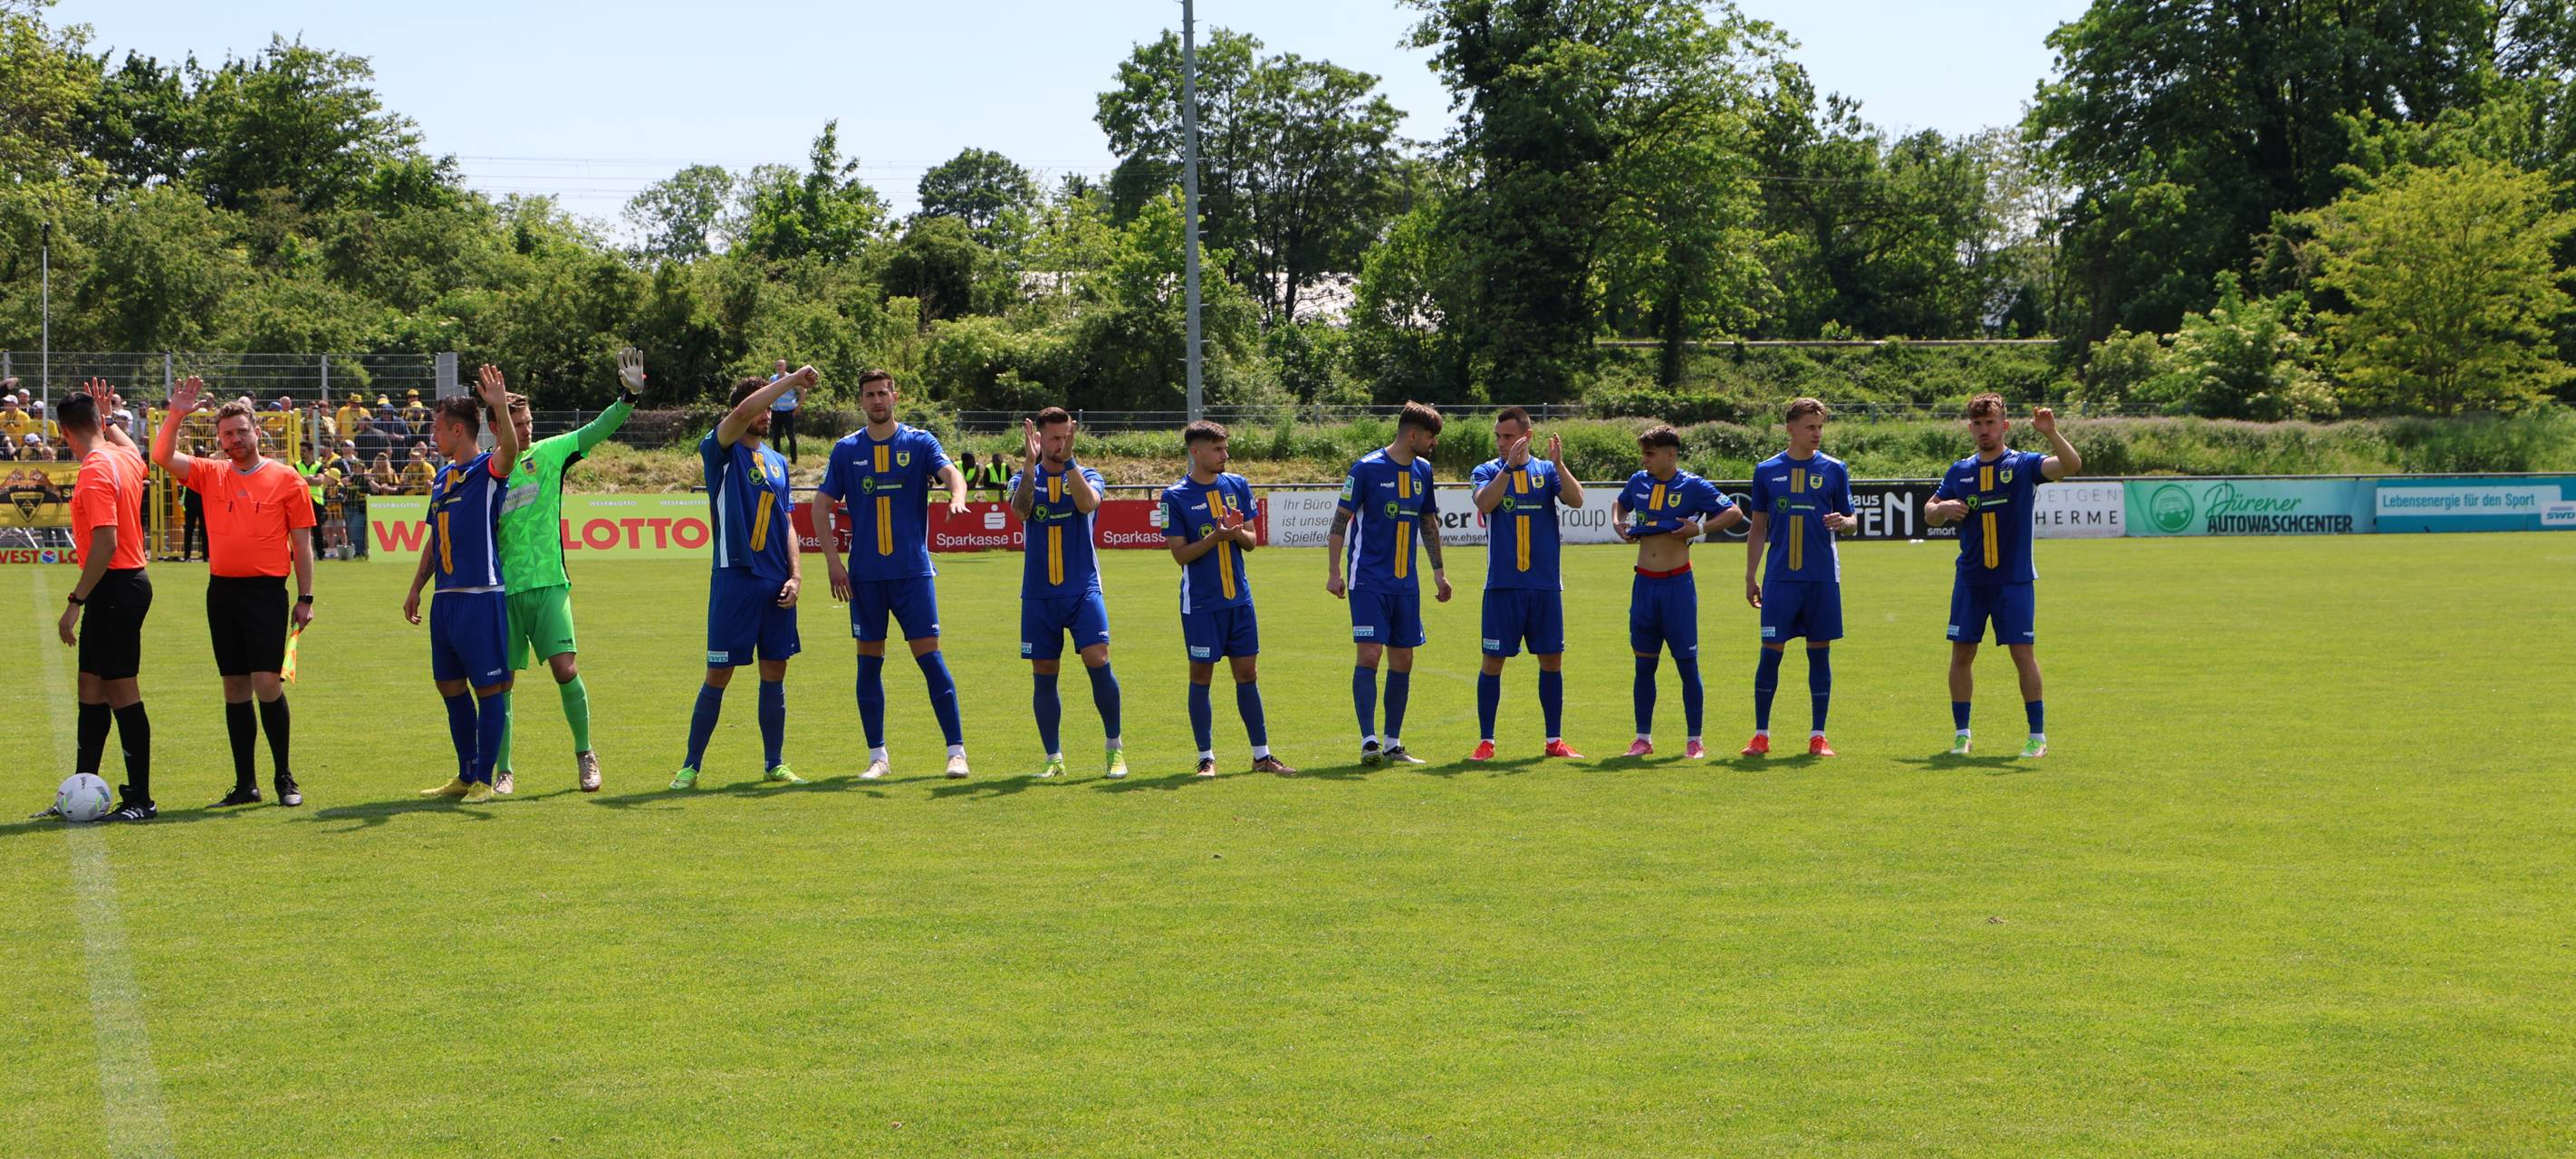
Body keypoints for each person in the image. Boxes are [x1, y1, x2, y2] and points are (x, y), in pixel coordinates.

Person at [151, 377, 317, 808]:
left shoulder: (287, 479)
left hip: (266, 593)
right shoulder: (210, 473)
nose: (235, 439)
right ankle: (246, 784)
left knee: (267, 683)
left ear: (257, 432)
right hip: (222, 593)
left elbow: (302, 543)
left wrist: (306, 597)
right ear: (219, 439)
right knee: (233, 688)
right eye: (227, 433)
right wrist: (176, 414)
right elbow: (161, 455)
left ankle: (284, 777)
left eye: (242, 431)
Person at [487, 350, 641, 795]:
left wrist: (627, 397)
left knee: (565, 669)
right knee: (501, 684)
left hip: (549, 581)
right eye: (517, 424)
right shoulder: (487, 469)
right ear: (496, 427)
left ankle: (585, 754)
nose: (527, 428)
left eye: (529, 420)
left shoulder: (550, 453)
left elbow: (596, 430)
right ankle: (504, 771)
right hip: (503, 591)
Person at [814, 369, 974, 781]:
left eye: (883, 392)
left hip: (912, 574)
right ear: (861, 401)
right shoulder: (846, 450)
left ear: (895, 396)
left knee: (931, 659)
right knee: (868, 665)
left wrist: (957, 496)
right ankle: (877, 757)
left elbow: (951, 473)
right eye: (869, 394)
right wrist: (834, 562)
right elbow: (820, 506)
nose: (877, 400)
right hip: (865, 579)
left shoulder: (919, 442)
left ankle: (956, 753)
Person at [670, 366, 810, 790]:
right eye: (761, 404)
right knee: (719, 674)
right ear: (742, 409)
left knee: (775, 672)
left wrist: (797, 576)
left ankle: (774, 763)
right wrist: (789, 381)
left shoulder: (778, 461)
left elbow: (787, 522)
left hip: (776, 583)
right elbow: (747, 409)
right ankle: (691, 767)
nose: (767, 412)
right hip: (735, 578)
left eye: (770, 406)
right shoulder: (721, 448)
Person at [1925, 394, 2082, 758]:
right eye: (1977, 424)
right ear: (1970, 428)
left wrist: (2052, 432)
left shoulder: (2024, 465)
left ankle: (2036, 736)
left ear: (2005, 426)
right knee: (1961, 654)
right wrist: (1943, 508)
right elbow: (1929, 512)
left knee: (2022, 654)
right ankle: (1962, 734)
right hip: (1971, 580)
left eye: (1991, 423)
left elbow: (2071, 464)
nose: (1984, 430)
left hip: (2014, 580)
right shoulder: (1959, 471)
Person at [405, 367, 521, 804]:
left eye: (437, 429)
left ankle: (485, 781)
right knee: (449, 686)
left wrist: (497, 406)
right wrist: (417, 586)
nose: (433, 436)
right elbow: (435, 538)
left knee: (488, 688)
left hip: (481, 598)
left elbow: (508, 448)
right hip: (446, 601)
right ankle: (465, 772)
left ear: (457, 430)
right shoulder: (441, 478)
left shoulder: (487, 470)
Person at [1162, 420, 1294, 778]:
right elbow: (1181, 555)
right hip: (1202, 604)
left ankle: (1262, 756)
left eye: (1225, 448)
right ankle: (1206, 758)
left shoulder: (1237, 485)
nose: (1226, 455)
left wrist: (1235, 533)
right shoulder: (1174, 496)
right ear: (1196, 452)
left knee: (1247, 673)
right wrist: (1215, 537)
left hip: (1240, 601)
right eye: (1218, 449)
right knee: (1201, 675)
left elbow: (1252, 541)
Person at [1325, 400, 1451, 766]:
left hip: (1405, 585)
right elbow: (1340, 521)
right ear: (1413, 434)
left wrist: (1438, 572)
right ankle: (1369, 741)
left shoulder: (1423, 471)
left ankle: (1394, 743)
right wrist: (1335, 571)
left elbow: (1428, 523)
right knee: (1369, 654)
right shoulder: (1366, 469)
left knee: (1404, 659)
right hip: (1368, 581)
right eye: (1430, 437)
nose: (1434, 444)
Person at [55, 381, 158, 821]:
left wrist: (76, 599)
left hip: (114, 586)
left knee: (120, 690)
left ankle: (140, 801)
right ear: (100, 421)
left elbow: (106, 543)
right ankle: (81, 791)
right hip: (122, 586)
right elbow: (133, 446)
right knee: (91, 689)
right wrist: (110, 421)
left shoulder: (96, 470)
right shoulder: (122, 456)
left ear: (64, 433)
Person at [1614, 425, 1744, 759]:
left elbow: (1734, 512)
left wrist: (1699, 527)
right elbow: (1620, 503)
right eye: (1644, 453)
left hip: (1677, 586)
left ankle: (1694, 740)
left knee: (1687, 665)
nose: (1645, 460)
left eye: (1650, 454)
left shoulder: (1693, 485)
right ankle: (1642, 739)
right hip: (1643, 584)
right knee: (1644, 666)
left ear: (1671, 455)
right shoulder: (1638, 481)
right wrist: (1619, 523)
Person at [1007, 407, 1124, 780]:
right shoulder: (1023, 477)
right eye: (1051, 438)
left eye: (1064, 436)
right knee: (1044, 671)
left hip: (1082, 589)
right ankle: (1053, 757)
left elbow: (1088, 503)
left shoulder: (1087, 475)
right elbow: (1021, 512)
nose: (1058, 444)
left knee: (1097, 658)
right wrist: (1029, 465)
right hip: (1039, 595)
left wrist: (1069, 460)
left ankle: (1114, 750)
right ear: (1038, 439)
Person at [1467, 406, 1587, 762]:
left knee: (1551, 661)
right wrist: (1507, 467)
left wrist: (1560, 464)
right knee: (1493, 661)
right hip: (1503, 587)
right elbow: (1485, 503)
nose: (1503, 443)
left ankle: (1554, 741)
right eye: (1499, 437)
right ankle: (1486, 742)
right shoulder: (1487, 470)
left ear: (1527, 436)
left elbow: (1577, 500)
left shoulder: (1547, 472)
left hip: (1545, 587)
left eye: (1509, 436)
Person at [1741, 398, 1857, 758]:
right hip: (1779, 580)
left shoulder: (1836, 469)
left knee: (1819, 655)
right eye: (1810, 427)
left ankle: (1818, 736)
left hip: (1821, 578)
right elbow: (1758, 527)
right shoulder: (1766, 470)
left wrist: (1845, 523)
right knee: (1770, 654)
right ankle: (1760, 735)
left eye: (1820, 426)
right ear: (1791, 428)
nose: (1817, 433)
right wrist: (1750, 575)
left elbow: (1852, 521)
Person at [331, 441, 370, 560]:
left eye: (357, 466)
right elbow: (343, 490)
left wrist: (369, 480)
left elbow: (372, 490)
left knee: (356, 528)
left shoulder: (365, 479)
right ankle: (358, 552)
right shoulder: (349, 478)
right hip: (348, 506)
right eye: (353, 466)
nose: (354, 468)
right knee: (351, 530)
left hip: (360, 507)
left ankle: (360, 551)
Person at [767, 359, 803, 463]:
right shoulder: (772, 379)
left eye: (781, 365)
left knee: (791, 436)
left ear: (785, 367)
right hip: (776, 411)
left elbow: (803, 391)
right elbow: (769, 392)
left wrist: (798, 407)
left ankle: (794, 460)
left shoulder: (791, 378)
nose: (779, 367)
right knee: (776, 436)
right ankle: (776, 459)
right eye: (777, 365)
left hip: (788, 411)